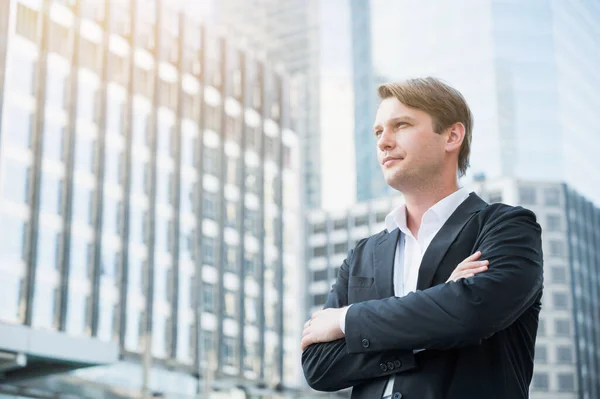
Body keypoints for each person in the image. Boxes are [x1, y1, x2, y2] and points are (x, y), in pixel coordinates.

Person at [301, 77, 543, 399]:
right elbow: (318, 365)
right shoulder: (363, 254)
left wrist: (348, 320)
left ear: (452, 136)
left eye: (401, 125)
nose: (384, 142)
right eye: (378, 132)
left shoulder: (506, 227)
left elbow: (472, 313)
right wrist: (440, 305)